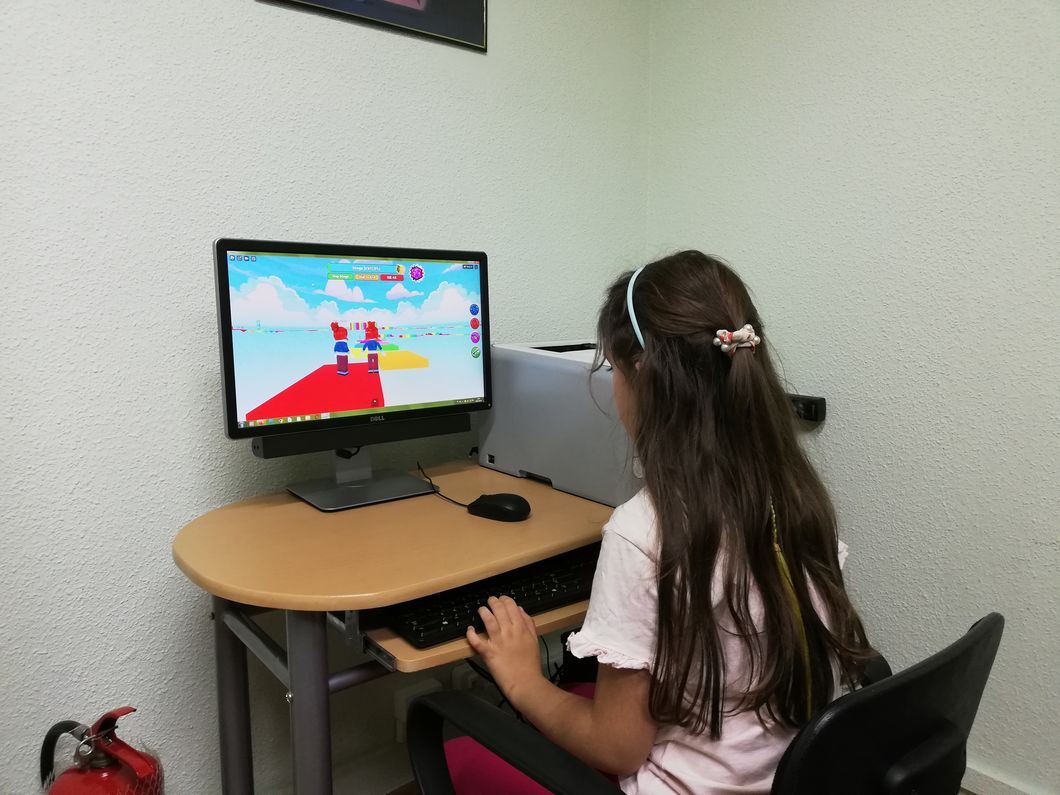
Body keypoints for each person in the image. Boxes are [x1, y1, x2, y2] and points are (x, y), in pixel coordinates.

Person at [455, 251, 875, 794]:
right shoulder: (798, 495)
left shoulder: (643, 533)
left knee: (458, 751)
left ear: (641, 375)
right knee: (582, 690)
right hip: (787, 778)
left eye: (611, 369)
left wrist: (520, 679)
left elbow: (617, 749)